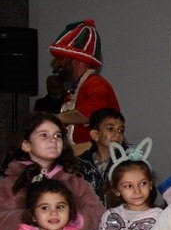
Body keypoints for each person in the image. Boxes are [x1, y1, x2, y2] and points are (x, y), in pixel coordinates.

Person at [0, 112, 104, 230]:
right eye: (43, 135)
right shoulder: (12, 179)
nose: (53, 140)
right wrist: (30, 219)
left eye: (57, 135)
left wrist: (73, 219)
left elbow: (98, 213)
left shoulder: (73, 178)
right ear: (26, 145)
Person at [49, 19, 121, 153]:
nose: (58, 65)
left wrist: (54, 118)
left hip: (92, 156)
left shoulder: (96, 84)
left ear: (75, 60)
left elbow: (92, 114)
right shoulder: (77, 88)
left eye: (61, 59)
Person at [78, 108, 126, 203]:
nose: (117, 134)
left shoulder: (128, 163)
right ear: (95, 135)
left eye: (121, 130)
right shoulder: (79, 164)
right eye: (110, 128)